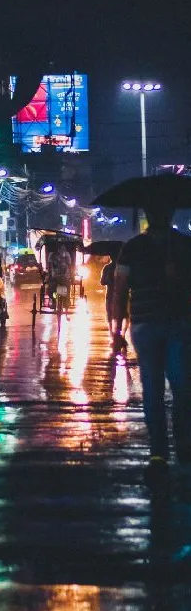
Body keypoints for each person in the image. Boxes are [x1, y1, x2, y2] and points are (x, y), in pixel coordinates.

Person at [112, 204, 191, 483]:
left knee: (165, 389)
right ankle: (165, 452)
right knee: (174, 387)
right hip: (160, 326)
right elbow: (120, 291)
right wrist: (117, 330)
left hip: (167, 325)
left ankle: (171, 449)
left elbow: (120, 292)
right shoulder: (176, 245)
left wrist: (117, 331)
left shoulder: (173, 246)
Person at [100, 253, 128, 345]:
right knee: (120, 315)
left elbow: (102, 282)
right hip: (118, 294)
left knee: (115, 315)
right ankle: (118, 336)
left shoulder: (108, 268)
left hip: (115, 294)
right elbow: (103, 282)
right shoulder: (114, 268)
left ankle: (116, 336)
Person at [47, 243, 73, 307]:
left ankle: (66, 300)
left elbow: (69, 265)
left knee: (67, 286)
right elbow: (50, 266)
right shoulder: (52, 254)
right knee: (51, 289)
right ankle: (53, 301)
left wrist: (70, 275)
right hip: (55, 276)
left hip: (64, 276)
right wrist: (49, 275)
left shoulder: (67, 254)